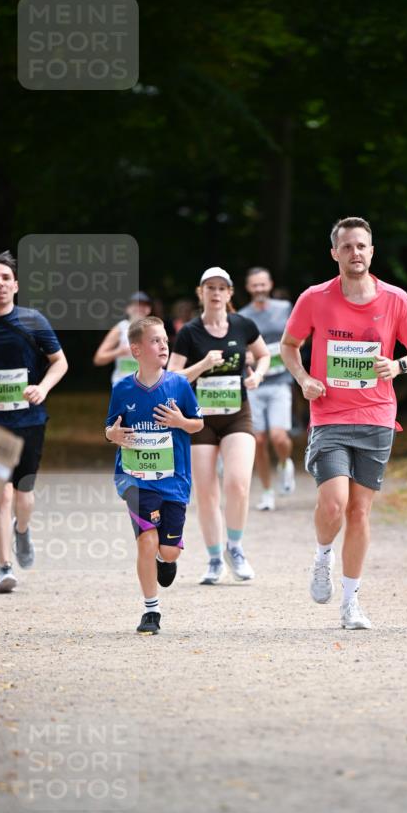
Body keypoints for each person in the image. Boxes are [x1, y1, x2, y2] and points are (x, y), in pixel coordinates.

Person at [281, 217, 407, 630]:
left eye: (362, 246)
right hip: (329, 415)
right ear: (335, 253)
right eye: (347, 246)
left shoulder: (396, 299)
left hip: (376, 417)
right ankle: (322, 555)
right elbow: (289, 345)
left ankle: (350, 602)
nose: (355, 253)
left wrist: (398, 365)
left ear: (372, 251)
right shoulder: (315, 298)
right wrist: (304, 379)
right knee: (333, 504)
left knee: (359, 511)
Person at [168, 267, 270, 584]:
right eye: (209, 287)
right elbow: (172, 376)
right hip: (198, 419)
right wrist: (203, 364)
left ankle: (234, 548)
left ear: (229, 293)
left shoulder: (243, 325)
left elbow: (264, 355)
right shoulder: (189, 332)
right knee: (206, 491)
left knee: (238, 483)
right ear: (201, 293)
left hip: (237, 413)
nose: (215, 293)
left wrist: (258, 375)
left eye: (221, 288)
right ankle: (214, 559)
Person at [105, 316, 203, 634]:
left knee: (168, 550)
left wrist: (180, 422)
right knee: (146, 540)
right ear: (136, 349)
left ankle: (166, 560)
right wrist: (113, 435)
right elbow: (110, 428)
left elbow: (198, 424)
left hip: (174, 480)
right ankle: (151, 610)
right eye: (155, 341)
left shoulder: (179, 385)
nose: (163, 345)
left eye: (165, 340)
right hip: (135, 478)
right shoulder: (122, 389)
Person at [0, 250, 68, 592]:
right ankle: (4, 567)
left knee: (23, 493)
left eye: (5, 278)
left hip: (29, 420)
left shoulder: (32, 321)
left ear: (16, 285)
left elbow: (60, 362)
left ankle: (22, 530)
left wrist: (43, 388)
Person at [238, 266, 295, 510]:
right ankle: (267, 492)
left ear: (270, 285)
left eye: (263, 284)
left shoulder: (284, 308)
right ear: (248, 288)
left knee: (279, 437)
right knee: (258, 440)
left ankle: (284, 462)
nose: (259, 288)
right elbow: (238, 345)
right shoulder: (242, 316)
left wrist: (289, 351)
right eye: (255, 285)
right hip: (254, 382)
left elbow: (298, 335)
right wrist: (247, 355)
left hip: (280, 380)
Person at [93, 291, 153, 384]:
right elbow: (98, 358)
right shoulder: (121, 328)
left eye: (142, 305)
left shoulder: (154, 330)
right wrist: (119, 351)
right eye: (135, 304)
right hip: (124, 385)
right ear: (127, 309)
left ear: (148, 309)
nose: (139, 308)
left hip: (148, 385)